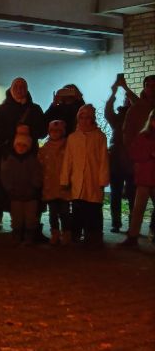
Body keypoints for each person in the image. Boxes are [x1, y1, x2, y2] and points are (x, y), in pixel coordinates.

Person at [0, 77, 46, 230]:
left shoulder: (35, 109)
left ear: (27, 89)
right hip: (8, 156)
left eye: (22, 86)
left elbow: (43, 131)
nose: (19, 89)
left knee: (32, 190)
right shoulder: (2, 110)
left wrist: (29, 131)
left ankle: (32, 224)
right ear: (11, 89)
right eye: (16, 86)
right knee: (6, 189)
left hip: (30, 157)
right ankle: (8, 223)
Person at [60, 104, 110, 246]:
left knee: (93, 209)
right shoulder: (73, 138)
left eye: (88, 117)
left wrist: (103, 179)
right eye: (81, 117)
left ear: (92, 119)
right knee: (77, 209)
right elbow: (68, 160)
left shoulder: (99, 136)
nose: (84, 120)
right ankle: (75, 235)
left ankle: (93, 236)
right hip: (77, 180)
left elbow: (103, 159)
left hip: (93, 180)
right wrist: (65, 179)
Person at [104, 75, 137, 233]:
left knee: (132, 195)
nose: (127, 101)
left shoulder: (139, 117)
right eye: (126, 99)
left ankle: (133, 224)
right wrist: (113, 92)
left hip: (133, 161)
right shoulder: (118, 118)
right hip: (117, 161)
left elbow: (139, 105)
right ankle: (116, 223)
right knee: (115, 194)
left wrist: (125, 88)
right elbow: (108, 111)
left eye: (129, 99)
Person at [0, 129, 43, 245]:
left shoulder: (33, 160)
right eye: (18, 144)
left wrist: (34, 187)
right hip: (15, 194)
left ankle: (29, 236)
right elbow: (5, 175)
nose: (21, 147)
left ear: (28, 147)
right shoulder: (9, 160)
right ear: (15, 145)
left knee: (30, 218)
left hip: (31, 195)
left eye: (24, 145)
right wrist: (9, 188)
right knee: (17, 217)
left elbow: (37, 174)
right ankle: (17, 235)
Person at [120, 108, 155, 250]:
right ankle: (132, 236)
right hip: (145, 178)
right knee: (138, 209)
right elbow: (134, 154)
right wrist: (149, 154)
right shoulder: (143, 136)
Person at [38, 119, 72, 244]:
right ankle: (55, 233)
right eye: (52, 131)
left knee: (64, 212)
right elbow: (40, 165)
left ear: (62, 132)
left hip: (64, 186)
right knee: (53, 213)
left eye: (58, 131)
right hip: (50, 186)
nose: (55, 133)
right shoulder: (45, 149)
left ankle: (66, 233)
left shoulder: (68, 147)